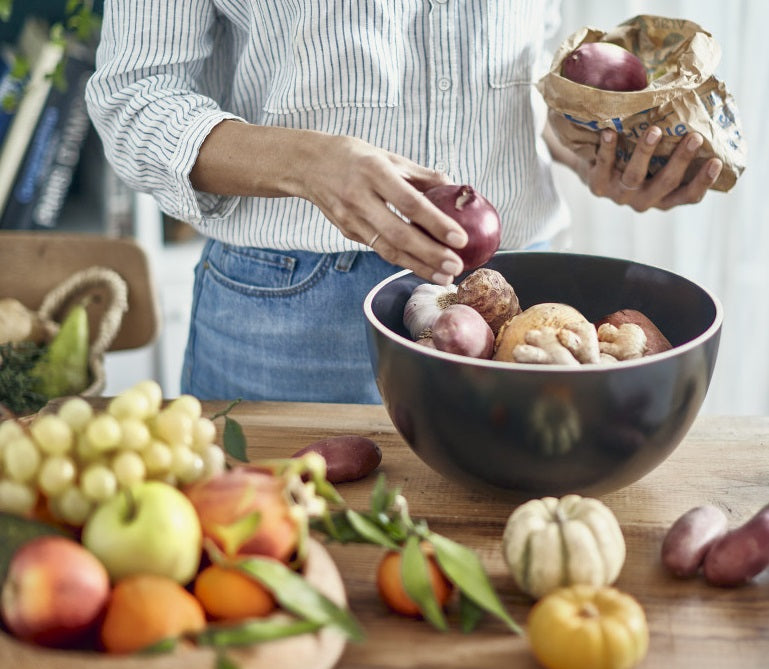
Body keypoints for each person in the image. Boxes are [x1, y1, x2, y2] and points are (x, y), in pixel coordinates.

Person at [85, 1, 723, 404]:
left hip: (520, 306)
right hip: (290, 322)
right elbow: (133, 97)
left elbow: (520, 80)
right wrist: (309, 164)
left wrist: (596, 151)